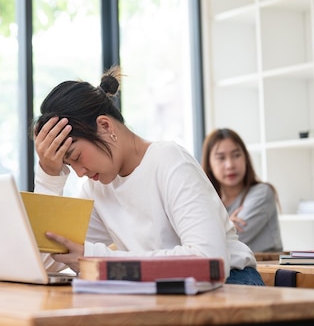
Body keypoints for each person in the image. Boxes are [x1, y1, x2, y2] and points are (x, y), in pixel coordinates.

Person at [32, 66, 264, 285]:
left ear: (105, 126)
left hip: (231, 286)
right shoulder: (97, 187)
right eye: (68, 165)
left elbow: (211, 263)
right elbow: (45, 263)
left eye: (76, 156)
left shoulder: (168, 160)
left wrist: (95, 258)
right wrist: (49, 176)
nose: (80, 173)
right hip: (163, 292)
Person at [201, 128, 283, 253]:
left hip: (263, 270)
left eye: (236, 155)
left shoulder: (262, 193)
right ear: (209, 165)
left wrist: (217, 227)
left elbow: (234, 239)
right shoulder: (207, 202)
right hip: (225, 270)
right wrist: (227, 225)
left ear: (246, 158)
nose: (230, 165)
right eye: (221, 158)